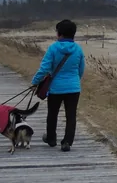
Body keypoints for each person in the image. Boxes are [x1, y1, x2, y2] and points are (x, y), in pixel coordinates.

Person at [32, 19, 86, 152]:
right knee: (71, 115)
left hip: (56, 88)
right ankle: (67, 141)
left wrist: (35, 82)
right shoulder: (78, 49)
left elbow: (44, 68)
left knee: (52, 113)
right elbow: (81, 69)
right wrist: (74, 80)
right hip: (73, 88)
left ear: (60, 33)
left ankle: (51, 138)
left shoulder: (53, 48)